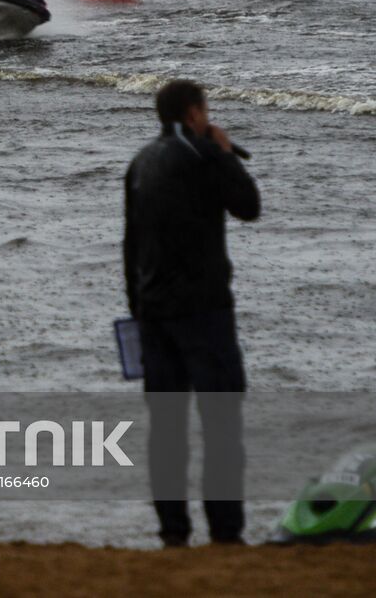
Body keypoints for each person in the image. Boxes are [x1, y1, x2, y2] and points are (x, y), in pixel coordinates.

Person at [124, 80, 261, 547]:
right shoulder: (204, 158)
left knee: (166, 428)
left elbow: (130, 246)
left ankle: (173, 532)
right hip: (203, 311)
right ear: (193, 114)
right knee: (221, 423)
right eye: (206, 110)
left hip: (153, 313)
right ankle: (226, 532)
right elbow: (248, 206)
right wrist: (224, 153)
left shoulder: (141, 161)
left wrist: (138, 312)